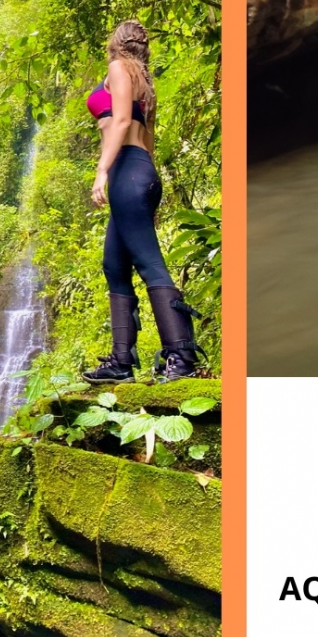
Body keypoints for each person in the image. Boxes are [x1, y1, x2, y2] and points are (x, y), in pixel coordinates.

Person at [82, 20, 204, 385]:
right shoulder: (144, 82)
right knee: (114, 264)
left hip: (127, 173)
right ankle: (122, 361)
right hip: (139, 172)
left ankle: (181, 356)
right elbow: (147, 139)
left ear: (115, 44)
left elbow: (120, 122)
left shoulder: (119, 69)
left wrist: (103, 171)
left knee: (149, 264)